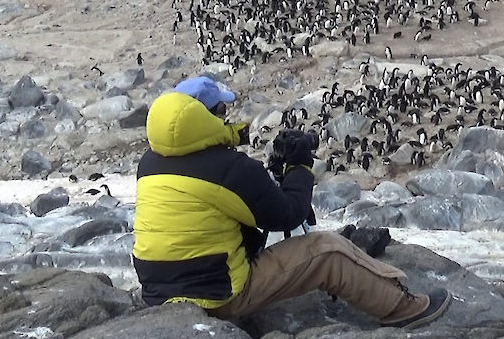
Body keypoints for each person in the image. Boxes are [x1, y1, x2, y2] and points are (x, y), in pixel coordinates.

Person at [132, 76, 452, 330]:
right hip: (218, 296)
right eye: (220, 112)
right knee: (327, 251)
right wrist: (299, 169)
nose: (225, 118)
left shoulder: (149, 163)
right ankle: (404, 309)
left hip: (159, 293)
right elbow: (287, 214)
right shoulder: (227, 168)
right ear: (203, 119)